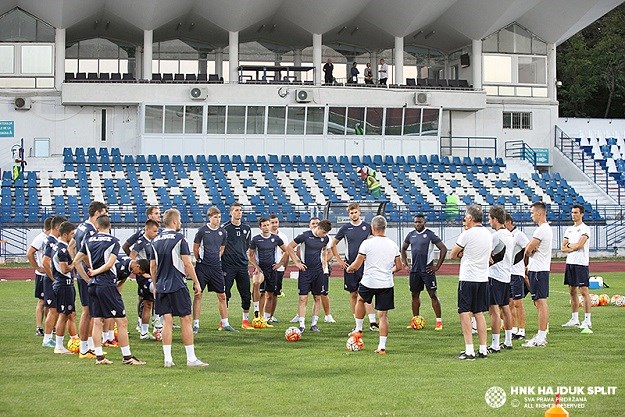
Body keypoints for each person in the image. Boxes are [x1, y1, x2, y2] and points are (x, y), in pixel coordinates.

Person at [75, 215, 145, 365]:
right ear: (110, 226)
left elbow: (76, 261)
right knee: (122, 321)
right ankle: (127, 357)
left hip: (93, 285)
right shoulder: (113, 242)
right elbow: (109, 265)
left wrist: (88, 277)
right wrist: (96, 272)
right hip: (106, 284)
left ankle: (99, 357)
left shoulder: (89, 240)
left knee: (98, 321)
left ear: (98, 226)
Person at [150, 208, 207, 367]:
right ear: (174, 221)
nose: (180, 222)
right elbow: (187, 263)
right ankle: (191, 358)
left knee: (167, 321)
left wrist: (156, 285)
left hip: (161, 286)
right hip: (177, 284)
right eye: (179, 220)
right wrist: (196, 281)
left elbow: (152, 267)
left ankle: (168, 359)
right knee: (185, 319)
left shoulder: (155, 240)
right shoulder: (179, 238)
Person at [347, 216, 401, 354]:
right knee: (383, 316)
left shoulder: (367, 243)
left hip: (369, 281)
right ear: (385, 228)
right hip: (386, 283)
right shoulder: (393, 244)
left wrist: (349, 268)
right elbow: (399, 266)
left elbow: (357, 264)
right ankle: (382, 347)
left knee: (360, 299)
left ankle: (358, 329)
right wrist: (390, 271)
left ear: (373, 228)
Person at [450, 205, 492, 360]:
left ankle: (469, 350)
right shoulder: (488, 234)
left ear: (471, 218)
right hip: (483, 277)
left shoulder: (466, 234)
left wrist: (463, 253)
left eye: (466, 217)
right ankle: (483, 349)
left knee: (464, 313)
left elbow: (453, 254)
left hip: (468, 277)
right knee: (479, 313)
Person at [330, 204, 378, 330]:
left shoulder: (367, 227)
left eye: (355, 212)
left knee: (367, 293)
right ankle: (357, 321)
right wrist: (339, 260)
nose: (353, 215)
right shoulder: (345, 228)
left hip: (365, 266)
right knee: (353, 294)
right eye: (351, 213)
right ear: (348, 214)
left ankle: (373, 322)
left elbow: (376, 241)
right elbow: (333, 244)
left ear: (359, 212)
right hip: (350, 265)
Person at [70, 201, 108, 358]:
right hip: (90, 275)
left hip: (84, 274)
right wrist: (89, 271)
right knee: (88, 311)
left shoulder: (80, 227)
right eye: (105, 213)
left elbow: (71, 247)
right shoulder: (91, 231)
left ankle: (89, 346)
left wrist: (76, 267)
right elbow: (85, 254)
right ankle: (85, 348)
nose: (106, 216)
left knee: (90, 311)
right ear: (98, 213)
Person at [193, 206, 238, 333]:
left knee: (222, 295)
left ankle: (225, 323)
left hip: (216, 268)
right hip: (203, 268)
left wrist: (216, 259)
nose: (218, 220)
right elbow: (195, 248)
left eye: (219, 217)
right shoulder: (202, 231)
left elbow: (222, 248)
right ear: (209, 218)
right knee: (198, 294)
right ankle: (196, 324)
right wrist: (199, 260)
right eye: (215, 217)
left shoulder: (223, 232)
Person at [248, 218, 300, 326]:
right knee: (256, 283)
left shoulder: (276, 238)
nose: (266, 227)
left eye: (267, 225)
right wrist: (256, 267)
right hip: (261, 268)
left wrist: (280, 263)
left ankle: (267, 319)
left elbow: (287, 250)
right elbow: (251, 255)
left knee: (270, 295)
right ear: (260, 227)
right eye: (264, 225)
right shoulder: (256, 239)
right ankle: (257, 313)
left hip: (272, 269)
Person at [400, 214, 447, 330]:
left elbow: (443, 248)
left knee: (432, 294)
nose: (417, 224)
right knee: (414, 295)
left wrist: (437, 266)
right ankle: (415, 320)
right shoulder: (411, 235)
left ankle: (439, 322)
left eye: (420, 222)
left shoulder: (430, 234)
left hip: (427, 270)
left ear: (424, 222)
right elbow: (403, 248)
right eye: (416, 222)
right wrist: (406, 264)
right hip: (415, 270)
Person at [287, 219, 331, 332]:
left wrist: (324, 261)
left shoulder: (325, 238)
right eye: (324, 232)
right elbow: (289, 247)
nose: (325, 235)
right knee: (303, 298)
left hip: (318, 272)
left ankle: (314, 324)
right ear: (319, 228)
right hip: (306, 271)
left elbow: (325, 249)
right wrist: (297, 262)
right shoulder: (305, 236)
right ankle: (302, 325)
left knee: (317, 297)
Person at [523, 201, 553, 348]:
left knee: (540, 302)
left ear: (539, 213)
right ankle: (541, 334)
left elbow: (528, 249)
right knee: (538, 302)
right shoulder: (544, 229)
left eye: (533, 212)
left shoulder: (541, 230)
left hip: (539, 270)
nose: (531, 215)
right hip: (538, 269)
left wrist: (530, 249)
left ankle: (541, 337)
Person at [486, 206, 515, 353]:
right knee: (505, 308)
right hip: (506, 275)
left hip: (494, 276)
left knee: (494, 310)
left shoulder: (495, 236)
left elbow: (486, 254)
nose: (489, 221)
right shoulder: (510, 235)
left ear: (495, 219)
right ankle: (508, 341)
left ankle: (495, 344)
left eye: (490, 218)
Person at [221, 203, 253, 330]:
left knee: (246, 294)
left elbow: (246, 245)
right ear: (231, 213)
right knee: (225, 294)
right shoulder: (225, 229)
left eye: (240, 210)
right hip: (227, 266)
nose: (239, 212)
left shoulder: (247, 228)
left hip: (242, 266)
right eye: (236, 210)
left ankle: (245, 321)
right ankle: (223, 322)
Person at [561, 204, 592, 329]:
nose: (574, 215)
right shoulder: (569, 230)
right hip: (570, 263)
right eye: (572, 212)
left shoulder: (585, 229)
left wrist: (570, 246)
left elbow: (580, 245)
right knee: (572, 291)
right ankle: (574, 319)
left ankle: (587, 320)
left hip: (581, 263)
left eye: (576, 212)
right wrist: (571, 247)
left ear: (582, 214)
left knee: (584, 291)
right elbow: (563, 248)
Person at [129, 219, 160, 339]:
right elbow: (132, 256)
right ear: (147, 230)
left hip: (152, 275)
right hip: (145, 277)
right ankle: (154, 327)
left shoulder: (155, 241)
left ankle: (147, 330)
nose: (156, 233)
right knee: (149, 302)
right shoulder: (141, 242)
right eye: (154, 231)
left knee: (150, 302)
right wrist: (140, 273)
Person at [51, 221, 77, 354]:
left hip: (63, 285)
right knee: (64, 314)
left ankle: (67, 341)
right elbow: (64, 269)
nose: (73, 236)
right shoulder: (61, 249)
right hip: (63, 285)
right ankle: (59, 346)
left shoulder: (57, 247)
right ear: (65, 234)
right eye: (72, 234)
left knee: (67, 314)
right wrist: (74, 264)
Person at [41, 215, 66, 348]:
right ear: (57, 227)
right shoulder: (51, 241)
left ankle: (50, 337)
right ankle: (47, 338)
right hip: (51, 280)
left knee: (55, 310)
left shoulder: (51, 240)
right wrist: (54, 278)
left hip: (51, 280)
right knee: (53, 310)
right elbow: (45, 262)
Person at [505, 214, 530, 340]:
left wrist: (525, 265)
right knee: (509, 303)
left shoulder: (519, 234)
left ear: (509, 222)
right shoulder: (505, 235)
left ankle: (522, 329)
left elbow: (527, 249)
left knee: (517, 303)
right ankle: (514, 328)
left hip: (516, 273)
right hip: (507, 273)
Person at [26, 217, 52, 337]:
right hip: (42, 275)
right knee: (42, 301)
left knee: (50, 302)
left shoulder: (52, 238)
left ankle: (50, 326)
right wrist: (37, 267)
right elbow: (30, 252)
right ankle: (39, 327)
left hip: (51, 274)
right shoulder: (40, 238)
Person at [266, 214, 289, 323]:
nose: (275, 225)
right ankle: (261, 316)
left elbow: (287, 251)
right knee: (263, 293)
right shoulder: (264, 235)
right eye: (272, 222)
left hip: (278, 269)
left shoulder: (283, 236)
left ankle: (271, 316)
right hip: (265, 268)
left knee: (275, 293)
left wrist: (281, 265)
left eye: (276, 222)